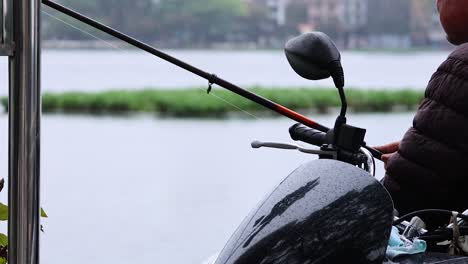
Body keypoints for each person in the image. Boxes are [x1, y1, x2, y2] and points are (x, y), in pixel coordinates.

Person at [375, 0, 468, 226]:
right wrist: (423, 150)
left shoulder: (464, 68)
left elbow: (405, 201)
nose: (438, 3)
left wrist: (412, 164)